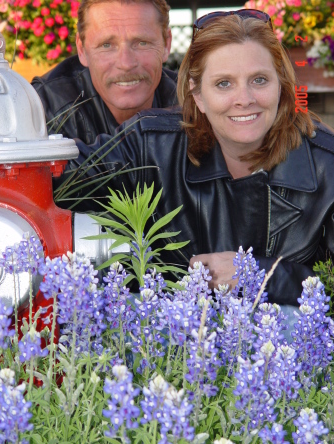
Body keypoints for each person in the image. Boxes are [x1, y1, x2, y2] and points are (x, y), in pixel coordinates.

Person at [71, 9, 334, 307]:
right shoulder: (150, 145)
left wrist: (259, 276)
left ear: (281, 85)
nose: (244, 99)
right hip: (173, 347)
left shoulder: (327, 165)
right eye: (224, 83)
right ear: (197, 95)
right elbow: (59, 176)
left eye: (259, 80)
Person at [31, 0, 177, 144]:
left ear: (166, 44)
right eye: (106, 45)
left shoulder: (193, 103)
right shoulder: (46, 108)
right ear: (82, 50)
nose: (126, 64)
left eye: (142, 43)